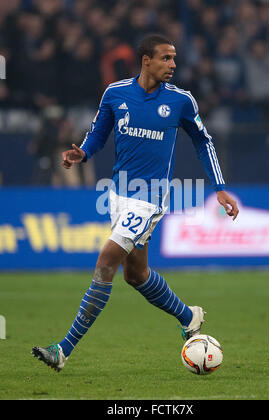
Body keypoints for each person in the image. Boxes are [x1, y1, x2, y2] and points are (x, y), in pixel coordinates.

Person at [32, 34, 239, 372]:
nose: (172, 65)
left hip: (151, 198)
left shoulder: (181, 101)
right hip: (119, 193)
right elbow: (99, 133)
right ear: (146, 60)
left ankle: (62, 350)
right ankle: (189, 316)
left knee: (106, 261)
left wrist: (219, 187)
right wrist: (83, 152)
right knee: (136, 274)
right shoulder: (115, 93)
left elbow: (204, 141)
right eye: (165, 58)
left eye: (174, 59)